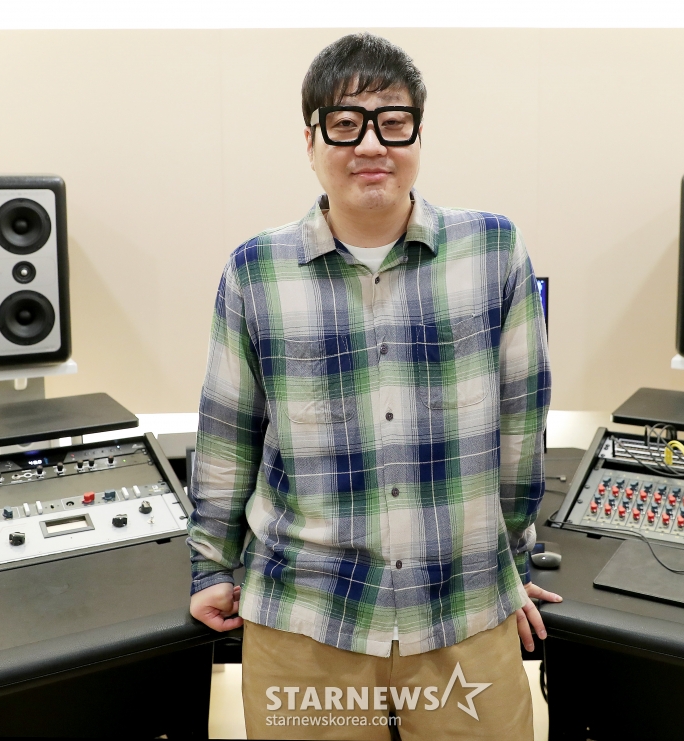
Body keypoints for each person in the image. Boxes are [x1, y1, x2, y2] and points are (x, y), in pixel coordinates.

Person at [187, 32, 558, 740]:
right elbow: (228, 435)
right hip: (307, 617)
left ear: (418, 133)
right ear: (310, 140)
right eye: (344, 124)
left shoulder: (494, 251)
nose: (370, 145)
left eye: (393, 123)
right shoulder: (255, 271)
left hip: (463, 610)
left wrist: (511, 564)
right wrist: (210, 568)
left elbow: (521, 426)